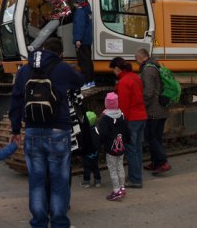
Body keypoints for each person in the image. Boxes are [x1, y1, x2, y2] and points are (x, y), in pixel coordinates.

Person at [9, 37, 84, 228]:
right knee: (59, 180)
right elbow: (80, 81)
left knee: (36, 181)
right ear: (60, 53)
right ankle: (59, 223)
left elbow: (16, 100)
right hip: (58, 130)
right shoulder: (62, 67)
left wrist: (16, 129)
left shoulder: (25, 70)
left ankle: (39, 222)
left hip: (33, 131)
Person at [110, 56, 148, 188]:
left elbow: (123, 105)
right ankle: (136, 175)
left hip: (131, 118)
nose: (113, 73)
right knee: (137, 149)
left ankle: (135, 180)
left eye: (113, 70)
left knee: (131, 150)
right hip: (142, 116)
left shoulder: (124, 82)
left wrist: (119, 121)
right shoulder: (135, 77)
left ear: (117, 68)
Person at [135, 48, 172, 174]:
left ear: (140, 57)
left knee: (151, 137)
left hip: (154, 111)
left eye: (136, 59)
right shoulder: (155, 65)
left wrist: (141, 106)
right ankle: (156, 163)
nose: (136, 62)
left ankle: (163, 162)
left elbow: (148, 92)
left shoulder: (148, 70)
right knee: (157, 137)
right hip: (161, 109)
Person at [98, 92, 130, 201]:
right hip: (121, 148)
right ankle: (122, 187)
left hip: (110, 149)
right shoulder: (122, 115)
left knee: (112, 169)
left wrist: (100, 144)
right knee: (120, 166)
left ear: (106, 104)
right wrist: (127, 142)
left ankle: (116, 191)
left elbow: (102, 134)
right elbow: (127, 131)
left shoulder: (105, 118)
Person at [71, 0, 95, 90]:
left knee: (84, 62)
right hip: (87, 40)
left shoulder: (80, 11)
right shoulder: (87, 9)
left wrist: (77, 39)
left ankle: (87, 81)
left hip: (82, 41)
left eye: (74, 2)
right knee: (88, 61)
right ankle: (91, 80)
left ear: (77, 2)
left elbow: (79, 27)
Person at [79, 111, 101, 188]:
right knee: (96, 167)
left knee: (87, 168)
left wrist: (82, 153)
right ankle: (98, 181)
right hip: (95, 153)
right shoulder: (96, 129)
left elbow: (82, 144)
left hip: (87, 153)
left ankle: (86, 182)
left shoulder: (84, 132)